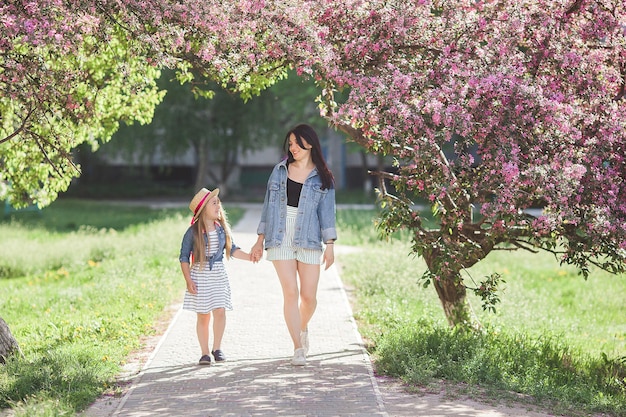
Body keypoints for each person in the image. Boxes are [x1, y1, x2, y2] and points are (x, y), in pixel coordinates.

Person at [251, 124, 337, 366]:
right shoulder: (279, 171)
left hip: (309, 236)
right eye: (290, 144)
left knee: (309, 297)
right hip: (279, 234)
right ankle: (298, 348)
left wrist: (329, 244)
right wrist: (260, 239)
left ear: (309, 143)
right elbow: (268, 207)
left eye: (297, 143)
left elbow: (327, 214)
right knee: (291, 292)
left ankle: (302, 326)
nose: (293, 148)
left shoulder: (323, 178)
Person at [179, 187, 252, 365]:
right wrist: (188, 280)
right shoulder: (192, 232)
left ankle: (217, 348)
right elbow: (183, 257)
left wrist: (249, 257)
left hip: (218, 273)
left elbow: (232, 249)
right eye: (214, 202)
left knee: (220, 310)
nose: (218, 205)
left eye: (218, 201)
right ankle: (204, 353)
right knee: (203, 315)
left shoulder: (221, 229)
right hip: (200, 275)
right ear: (204, 209)